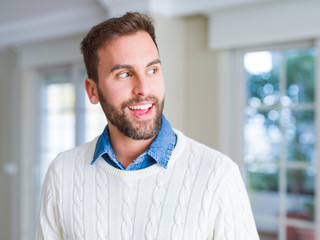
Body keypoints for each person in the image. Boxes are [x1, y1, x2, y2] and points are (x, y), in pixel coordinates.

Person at [36, 12, 259, 240]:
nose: (143, 88)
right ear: (93, 90)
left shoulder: (218, 175)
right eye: (124, 74)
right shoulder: (62, 172)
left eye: (152, 70)